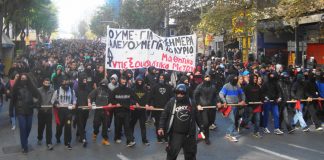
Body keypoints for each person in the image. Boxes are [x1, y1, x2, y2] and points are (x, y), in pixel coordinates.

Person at [158, 84, 203, 160]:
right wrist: (161, 127)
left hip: (189, 135)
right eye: (178, 93)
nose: (179, 95)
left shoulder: (191, 102)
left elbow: (197, 115)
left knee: (191, 155)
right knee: (171, 155)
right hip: (176, 134)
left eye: (182, 93)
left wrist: (201, 127)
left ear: (185, 94)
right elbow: (164, 115)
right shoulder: (172, 102)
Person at [12, 73, 41, 153]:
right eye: (22, 78)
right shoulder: (16, 88)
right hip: (20, 111)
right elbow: (12, 100)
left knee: (28, 127)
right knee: (22, 128)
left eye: (25, 78)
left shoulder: (31, 88)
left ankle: (24, 139)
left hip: (29, 110)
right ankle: (24, 146)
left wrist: (35, 105)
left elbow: (39, 96)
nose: (23, 80)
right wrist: (11, 112)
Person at [110, 76, 139, 147]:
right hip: (118, 111)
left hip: (127, 111)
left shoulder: (129, 90)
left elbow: (133, 98)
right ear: (119, 82)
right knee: (118, 126)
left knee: (127, 126)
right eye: (122, 82)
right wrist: (115, 103)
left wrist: (135, 103)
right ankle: (117, 137)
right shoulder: (115, 90)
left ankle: (130, 141)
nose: (124, 83)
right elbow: (111, 99)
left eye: (125, 82)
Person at [194, 74, 221, 145]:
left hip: (212, 107)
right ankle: (206, 138)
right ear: (203, 79)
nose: (207, 80)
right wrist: (198, 104)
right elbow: (195, 96)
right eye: (206, 78)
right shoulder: (199, 87)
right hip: (203, 108)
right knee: (205, 122)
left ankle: (201, 131)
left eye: (208, 78)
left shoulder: (213, 86)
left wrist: (218, 102)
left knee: (210, 122)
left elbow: (217, 95)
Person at [51, 76, 77, 150]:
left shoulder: (72, 91)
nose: (66, 84)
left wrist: (74, 104)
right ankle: (58, 136)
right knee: (59, 126)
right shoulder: (57, 91)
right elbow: (53, 100)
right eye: (64, 82)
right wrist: (56, 104)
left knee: (68, 127)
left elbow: (74, 99)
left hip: (68, 111)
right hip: (60, 111)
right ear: (61, 83)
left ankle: (68, 142)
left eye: (67, 83)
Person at [146, 74, 173, 143]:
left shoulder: (169, 87)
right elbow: (151, 97)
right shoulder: (154, 87)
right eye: (160, 78)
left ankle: (166, 137)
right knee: (158, 123)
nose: (161, 79)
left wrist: (171, 106)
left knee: (166, 123)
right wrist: (151, 105)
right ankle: (159, 137)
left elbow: (171, 98)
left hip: (166, 109)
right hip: (157, 109)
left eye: (162, 78)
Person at [219, 74, 246, 142]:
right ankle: (229, 134)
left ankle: (230, 132)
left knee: (234, 120)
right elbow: (221, 94)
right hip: (229, 106)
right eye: (234, 79)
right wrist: (224, 101)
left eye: (236, 79)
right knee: (232, 120)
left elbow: (242, 93)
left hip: (236, 105)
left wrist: (243, 100)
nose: (235, 80)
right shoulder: (226, 86)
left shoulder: (237, 86)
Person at [88, 79, 111, 146]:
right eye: (102, 84)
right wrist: (89, 103)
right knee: (96, 124)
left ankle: (105, 139)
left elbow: (112, 99)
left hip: (105, 111)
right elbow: (89, 96)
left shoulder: (109, 91)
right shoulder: (97, 90)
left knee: (105, 126)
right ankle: (95, 133)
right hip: (98, 110)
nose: (103, 86)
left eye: (104, 85)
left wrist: (110, 103)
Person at [130, 76, 150, 146]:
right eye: (138, 82)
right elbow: (131, 98)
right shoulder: (133, 89)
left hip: (142, 110)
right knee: (132, 124)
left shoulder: (145, 90)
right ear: (136, 82)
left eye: (141, 82)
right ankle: (131, 139)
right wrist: (135, 103)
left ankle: (144, 140)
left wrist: (147, 104)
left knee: (143, 126)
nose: (140, 83)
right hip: (135, 110)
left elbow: (147, 98)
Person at [37, 78, 55, 150]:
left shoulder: (52, 90)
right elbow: (35, 98)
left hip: (49, 112)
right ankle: (40, 137)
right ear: (43, 83)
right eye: (46, 83)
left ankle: (49, 142)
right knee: (41, 127)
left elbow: (54, 99)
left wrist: (55, 103)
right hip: (41, 111)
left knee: (49, 128)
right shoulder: (39, 90)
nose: (47, 84)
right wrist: (37, 104)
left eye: (48, 83)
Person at [75, 76, 92, 147]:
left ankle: (79, 132)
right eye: (84, 80)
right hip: (79, 108)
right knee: (80, 123)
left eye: (85, 80)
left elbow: (89, 96)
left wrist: (89, 102)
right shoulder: (76, 88)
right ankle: (83, 139)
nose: (85, 81)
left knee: (84, 123)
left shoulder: (88, 88)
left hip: (86, 108)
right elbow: (74, 97)